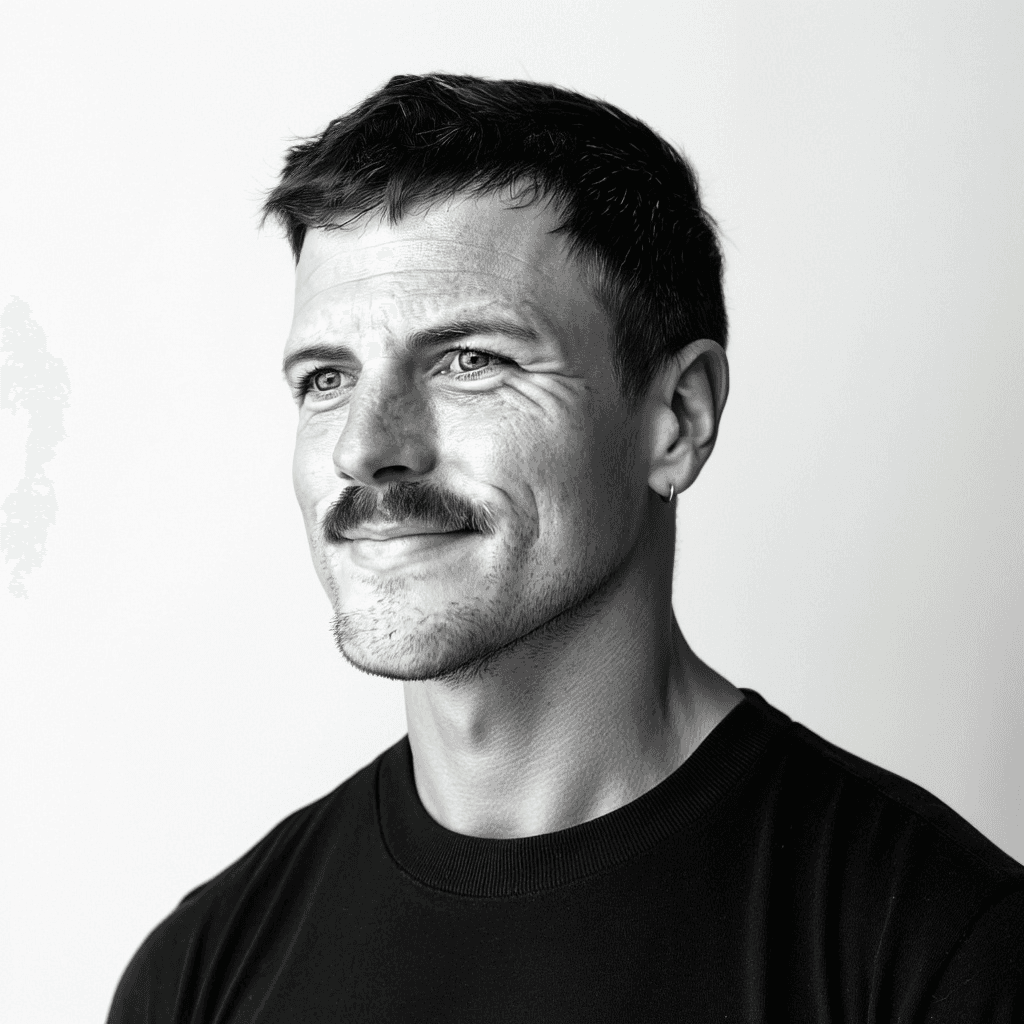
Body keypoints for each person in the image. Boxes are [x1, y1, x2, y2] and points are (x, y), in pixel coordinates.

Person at [108, 73, 1024, 1022]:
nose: (366, 447)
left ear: (676, 418)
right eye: (327, 377)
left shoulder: (945, 955)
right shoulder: (197, 975)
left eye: (471, 361)